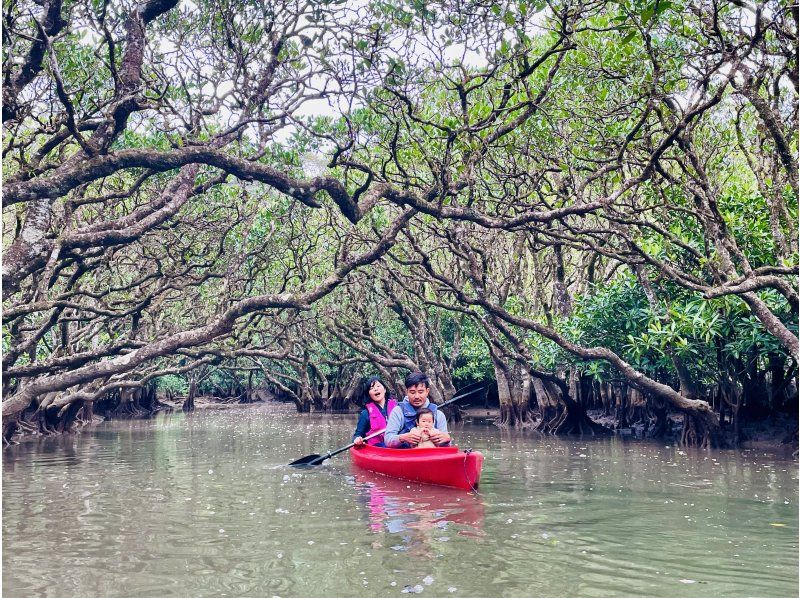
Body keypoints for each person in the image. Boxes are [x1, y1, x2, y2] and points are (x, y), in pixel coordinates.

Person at [384, 372, 451, 448]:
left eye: (420, 392)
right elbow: (387, 440)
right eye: (412, 392)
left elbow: (447, 445)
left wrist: (447, 439)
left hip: (431, 456)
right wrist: (403, 438)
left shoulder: (438, 415)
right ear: (407, 392)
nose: (416, 396)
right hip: (405, 457)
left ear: (427, 391)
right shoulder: (398, 411)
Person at [352, 376, 397, 447]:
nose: (376, 389)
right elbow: (357, 435)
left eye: (378, 386)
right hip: (378, 448)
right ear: (369, 394)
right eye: (371, 388)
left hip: (397, 444)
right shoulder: (365, 414)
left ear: (385, 389)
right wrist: (357, 439)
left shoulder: (398, 408)